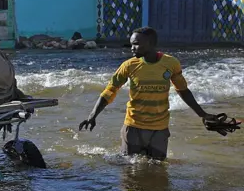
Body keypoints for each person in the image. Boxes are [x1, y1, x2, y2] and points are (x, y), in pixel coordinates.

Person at [79, 27, 216, 160]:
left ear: (150, 43)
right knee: (129, 172)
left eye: (136, 44)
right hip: (133, 127)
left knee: (158, 172)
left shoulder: (171, 63)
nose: (132, 48)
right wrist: (93, 115)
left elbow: (183, 91)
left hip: (159, 129)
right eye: (131, 44)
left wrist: (202, 115)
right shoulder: (129, 65)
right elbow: (110, 90)